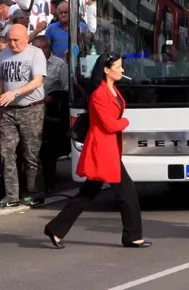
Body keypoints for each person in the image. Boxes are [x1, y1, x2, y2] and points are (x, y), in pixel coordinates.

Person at [43, 52, 150, 248]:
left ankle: (56, 229)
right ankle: (132, 236)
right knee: (127, 194)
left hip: (108, 148)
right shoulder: (99, 94)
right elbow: (109, 125)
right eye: (118, 67)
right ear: (106, 71)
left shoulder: (112, 90)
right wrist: (125, 121)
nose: (122, 70)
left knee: (87, 194)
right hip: (102, 149)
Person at [0, 24, 48, 207]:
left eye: (16, 40)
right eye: (9, 40)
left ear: (26, 38)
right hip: (8, 111)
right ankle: (11, 196)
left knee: (31, 153)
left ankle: (35, 192)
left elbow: (37, 81)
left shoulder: (36, 53)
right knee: (6, 152)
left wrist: (16, 93)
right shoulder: (3, 55)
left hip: (31, 109)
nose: (12, 44)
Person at [34, 36, 70, 194]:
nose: (41, 52)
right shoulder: (29, 63)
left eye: (44, 48)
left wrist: (53, 97)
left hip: (50, 111)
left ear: (50, 48)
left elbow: (67, 89)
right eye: (38, 49)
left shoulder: (59, 64)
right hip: (31, 108)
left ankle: (48, 182)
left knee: (48, 149)